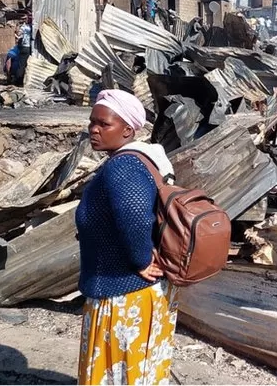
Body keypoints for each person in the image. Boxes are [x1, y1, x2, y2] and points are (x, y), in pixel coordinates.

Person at [77, 90, 179, 385]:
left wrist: (141, 259)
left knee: (119, 371)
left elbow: (135, 213)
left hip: (123, 293)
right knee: (136, 371)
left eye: (103, 124)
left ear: (128, 130)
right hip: (129, 289)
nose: (93, 130)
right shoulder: (143, 160)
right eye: (91, 122)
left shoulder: (124, 166)